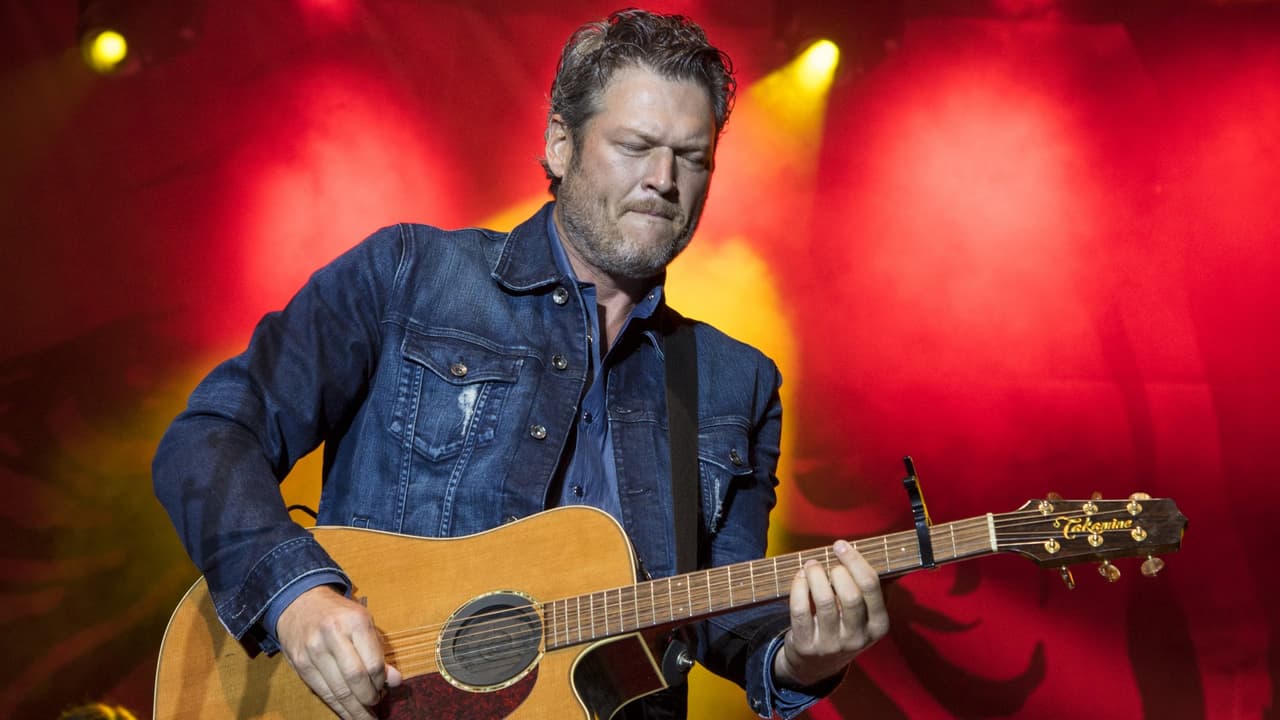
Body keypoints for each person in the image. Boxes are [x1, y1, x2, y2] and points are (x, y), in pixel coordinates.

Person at [153, 9, 888, 720]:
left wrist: (805, 659)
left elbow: (728, 618)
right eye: (636, 145)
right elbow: (209, 437)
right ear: (560, 145)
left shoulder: (737, 382)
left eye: (692, 157)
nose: (665, 179)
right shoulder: (408, 275)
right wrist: (297, 597)